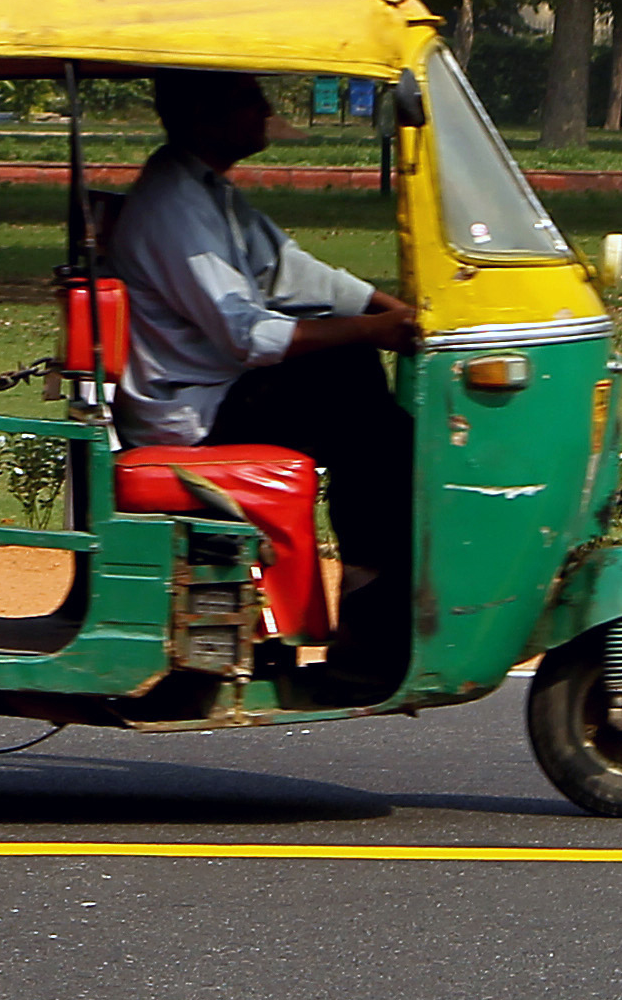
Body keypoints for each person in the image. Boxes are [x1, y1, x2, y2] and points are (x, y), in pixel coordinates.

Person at [105, 69, 419, 670]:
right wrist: (371, 331)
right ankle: (368, 622)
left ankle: (371, 611)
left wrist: (392, 310)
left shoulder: (208, 192)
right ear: (202, 115)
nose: (265, 109)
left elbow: (289, 271)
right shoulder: (175, 204)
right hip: (191, 412)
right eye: (248, 99)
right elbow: (247, 333)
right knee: (374, 425)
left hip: (216, 388)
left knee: (375, 417)